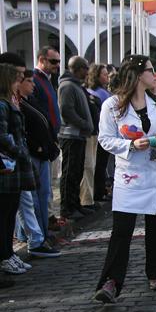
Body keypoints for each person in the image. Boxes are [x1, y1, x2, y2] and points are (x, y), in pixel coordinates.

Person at [93, 56, 156, 303]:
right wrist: (130, 144)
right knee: (122, 230)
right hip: (130, 176)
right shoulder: (112, 105)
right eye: (151, 71)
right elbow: (105, 139)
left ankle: (155, 272)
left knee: (155, 227)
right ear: (139, 75)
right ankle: (111, 282)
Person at [14, 65, 61, 258]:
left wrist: (49, 144)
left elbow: (44, 121)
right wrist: (38, 147)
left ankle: (39, 235)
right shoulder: (18, 104)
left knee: (41, 195)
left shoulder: (30, 100)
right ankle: (34, 238)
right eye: (29, 81)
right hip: (31, 155)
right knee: (30, 200)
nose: (33, 84)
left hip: (42, 154)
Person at [0, 63, 36, 275]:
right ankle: (5, 256)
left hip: (14, 169)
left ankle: (9, 254)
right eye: (16, 80)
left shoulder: (8, 103)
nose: (18, 84)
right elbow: (3, 136)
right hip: (7, 167)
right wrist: (19, 151)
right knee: (4, 216)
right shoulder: (3, 105)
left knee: (10, 214)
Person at [57, 56, 94, 220]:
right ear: (78, 69)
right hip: (71, 135)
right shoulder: (67, 86)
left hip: (79, 135)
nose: (88, 72)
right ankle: (67, 208)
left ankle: (75, 204)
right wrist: (84, 123)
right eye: (86, 68)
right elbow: (67, 110)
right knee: (70, 172)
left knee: (77, 172)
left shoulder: (76, 86)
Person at [28, 46, 62, 221]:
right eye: (54, 61)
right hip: (41, 140)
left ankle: (48, 216)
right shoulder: (34, 79)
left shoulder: (48, 80)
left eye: (58, 61)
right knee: (42, 186)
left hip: (51, 137)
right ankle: (45, 218)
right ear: (42, 59)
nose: (57, 65)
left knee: (49, 183)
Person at [86, 64, 112, 203]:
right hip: (101, 132)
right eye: (104, 74)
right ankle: (99, 192)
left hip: (101, 131)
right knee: (100, 164)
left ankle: (100, 191)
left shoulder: (100, 91)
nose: (107, 76)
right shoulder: (100, 93)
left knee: (100, 164)